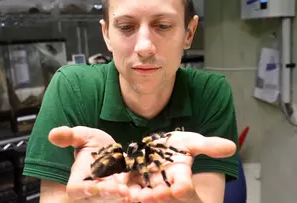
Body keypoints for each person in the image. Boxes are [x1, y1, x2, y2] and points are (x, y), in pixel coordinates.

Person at [23, 0, 240, 202]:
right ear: (106, 34)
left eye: (163, 26)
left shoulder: (210, 92)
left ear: (189, 33)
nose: (144, 47)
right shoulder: (72, 88)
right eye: (126, 27)